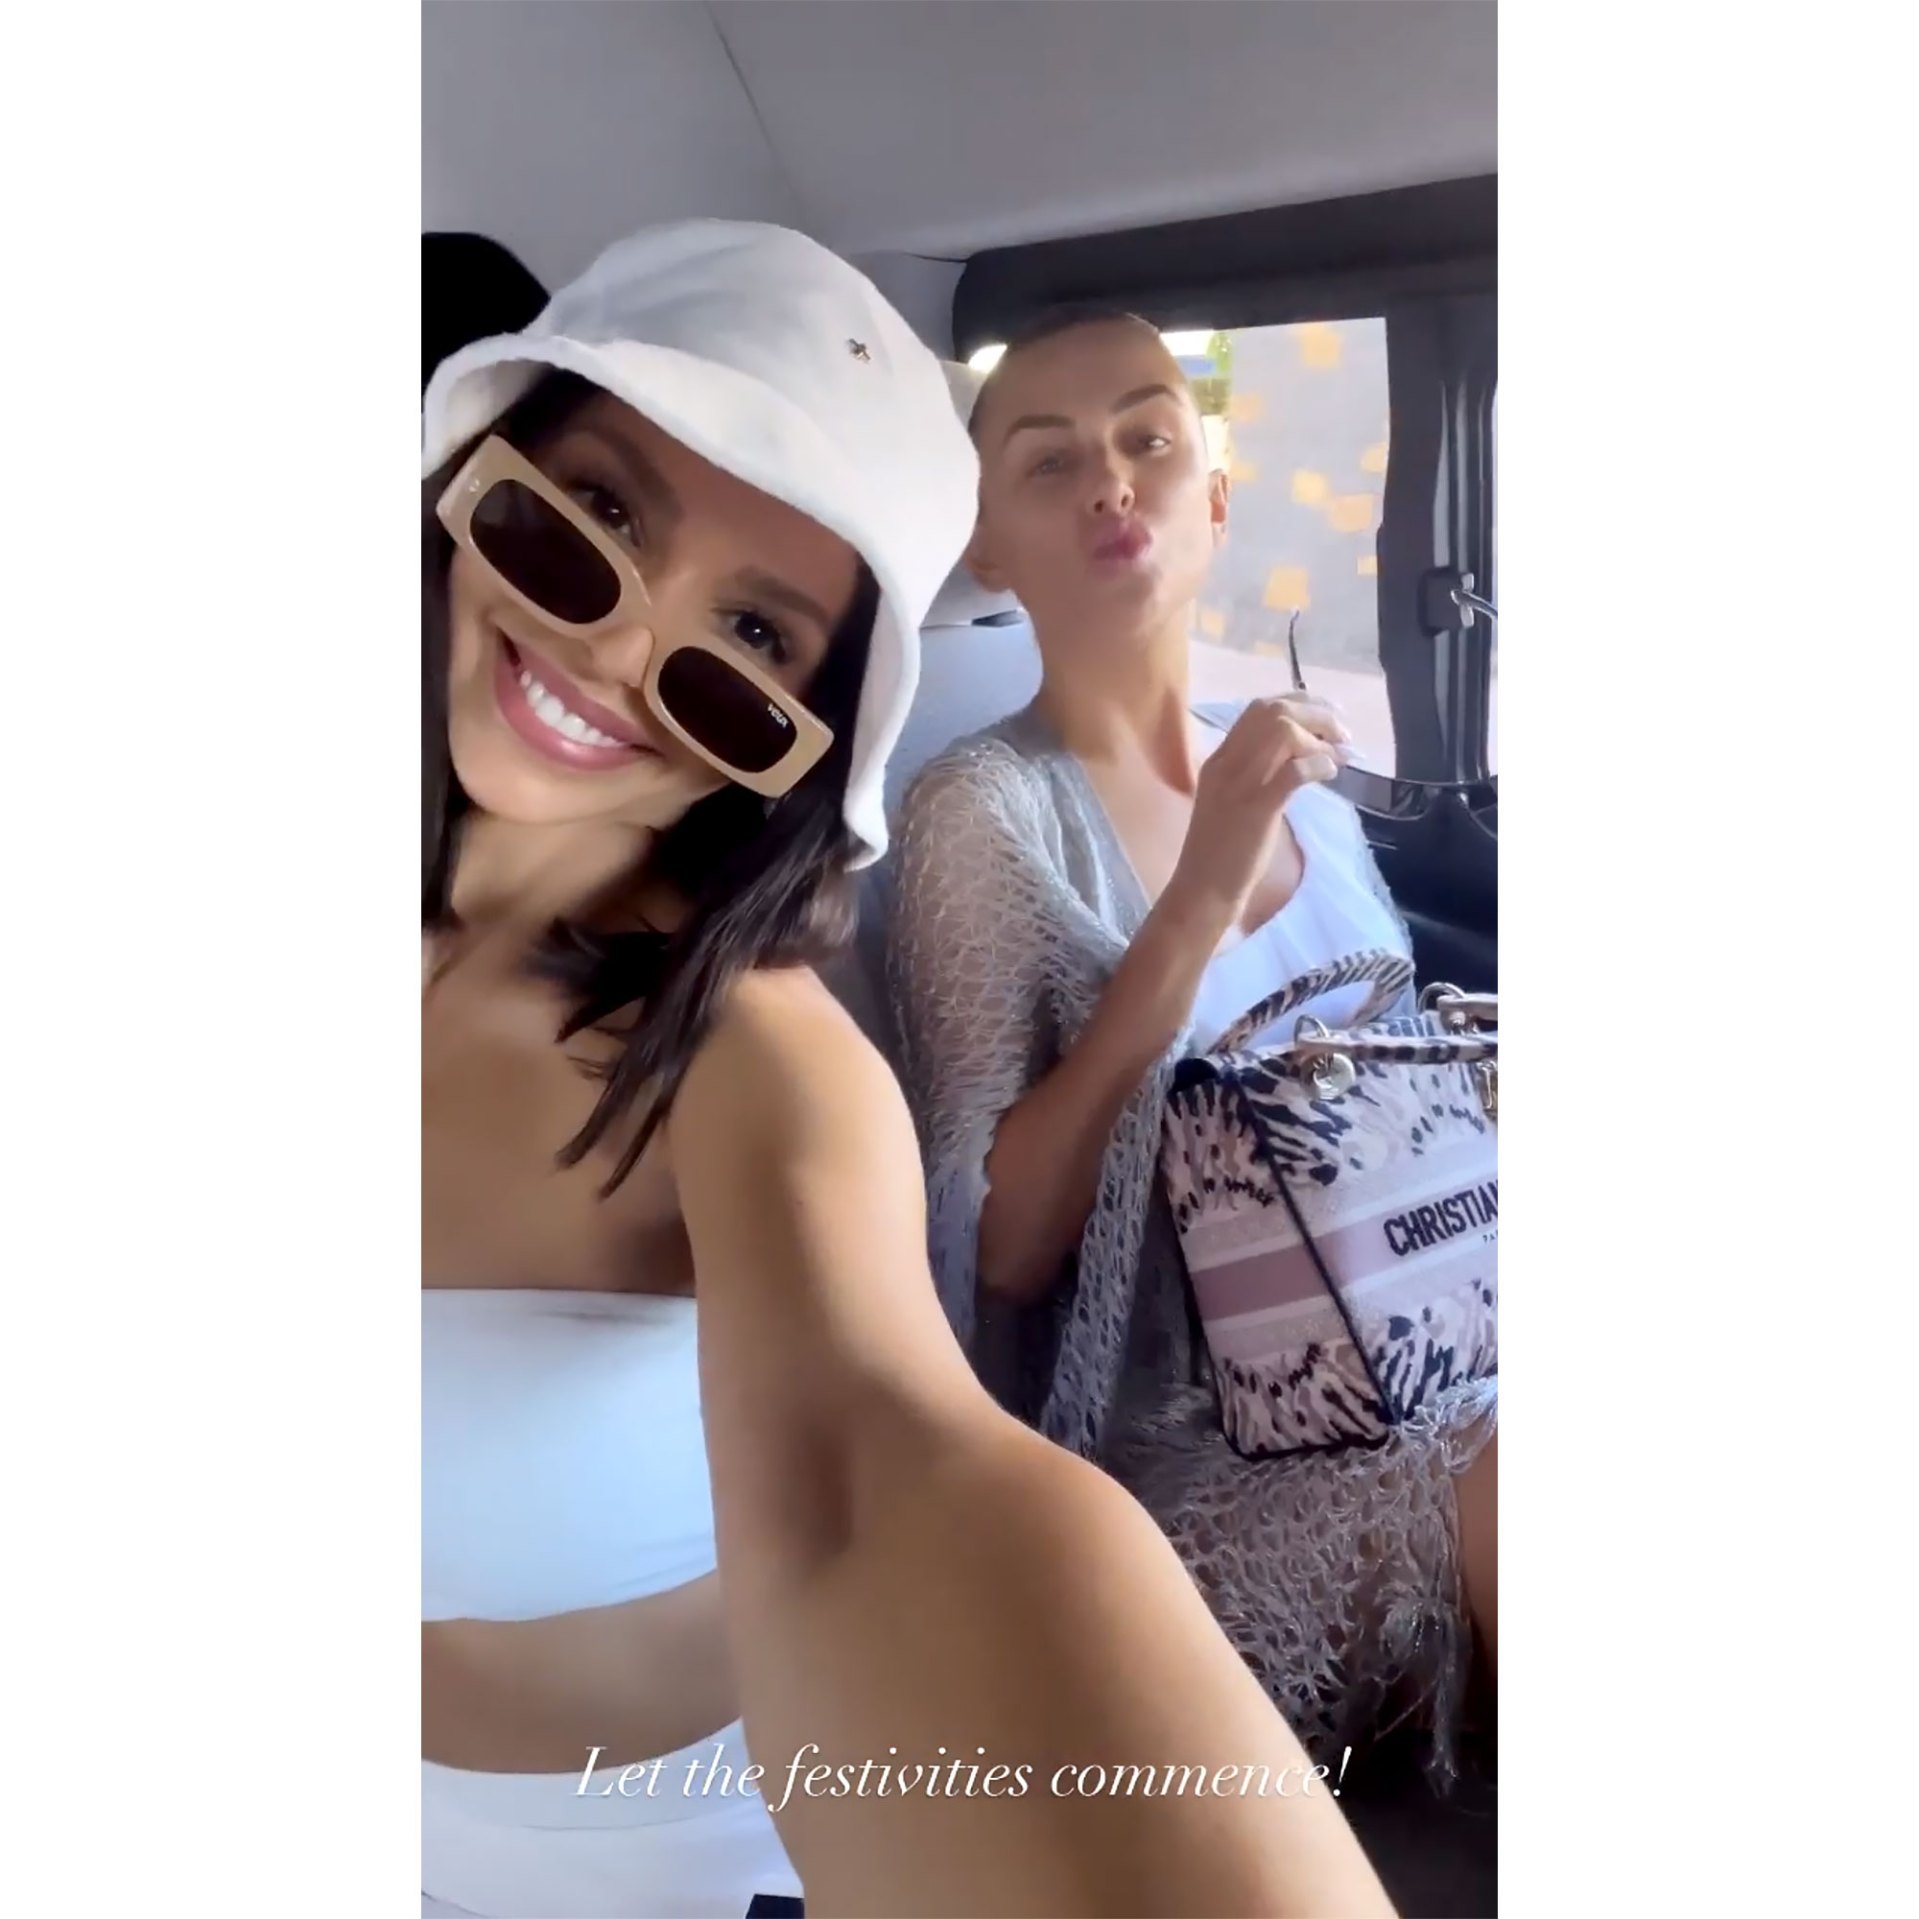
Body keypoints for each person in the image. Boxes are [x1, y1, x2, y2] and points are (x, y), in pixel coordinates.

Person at [421, 224, 1392, 1918]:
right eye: (591, 519)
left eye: (750, 636)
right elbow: (1003, 1238)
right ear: (468, 481)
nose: (620, 648)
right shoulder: (988, 814)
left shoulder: (757, 1069)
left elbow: (884, 1471)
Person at [887, 307, 1499, 1787]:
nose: (1111, 480)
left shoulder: (1313, 789)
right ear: (987, 548)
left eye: (1148, 439)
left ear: (1213, 502)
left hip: (1428, 1343)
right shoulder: (982, 811)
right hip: (1181, 1449)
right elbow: (997, 1255)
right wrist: (1200, 894)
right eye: (1050, 463)